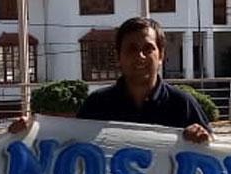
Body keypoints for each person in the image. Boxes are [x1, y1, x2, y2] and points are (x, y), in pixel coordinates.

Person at [76, 17, 211, 142]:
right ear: (118, 57)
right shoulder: (96, 105)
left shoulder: (183, 105)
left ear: (161, 56)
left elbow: (213, 153)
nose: (140, 56)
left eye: (148, 49)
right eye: (132, 49)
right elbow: (74, 148)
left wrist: (201, 138)